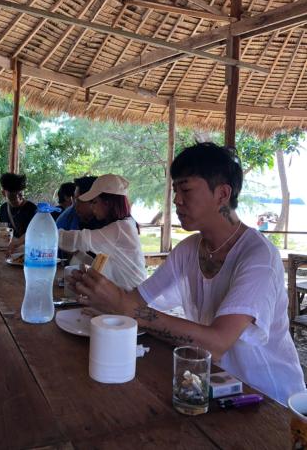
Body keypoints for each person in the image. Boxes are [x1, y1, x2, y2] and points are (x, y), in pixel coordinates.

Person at [69, 143, 305, 405]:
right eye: (175, 190)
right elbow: (135, 301)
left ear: (222, 194)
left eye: (186, 189)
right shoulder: (189, 250)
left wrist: (126, 308)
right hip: (217, 387)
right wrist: (99, 293)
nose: (176, 200)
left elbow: (217, 343)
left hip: (272, 401)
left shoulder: (258, 257)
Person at [59, 173, 147, 291]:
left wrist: (44, 233)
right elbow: (106, 264)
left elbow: (76, 240)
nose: (93, 207)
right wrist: (80, 256)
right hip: (126, 294)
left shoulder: (119, 229)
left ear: (108, 202)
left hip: (132, 298)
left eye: (94, 202)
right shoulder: (124, 224)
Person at [0, 172, 36, 246]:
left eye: (20, 194)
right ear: (3, 193)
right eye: (12, 196)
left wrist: (17, 243)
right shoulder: (3, 209)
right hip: (10, 249)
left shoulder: (32, 209)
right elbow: (3, 231)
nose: (17, 199)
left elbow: (34, 232)